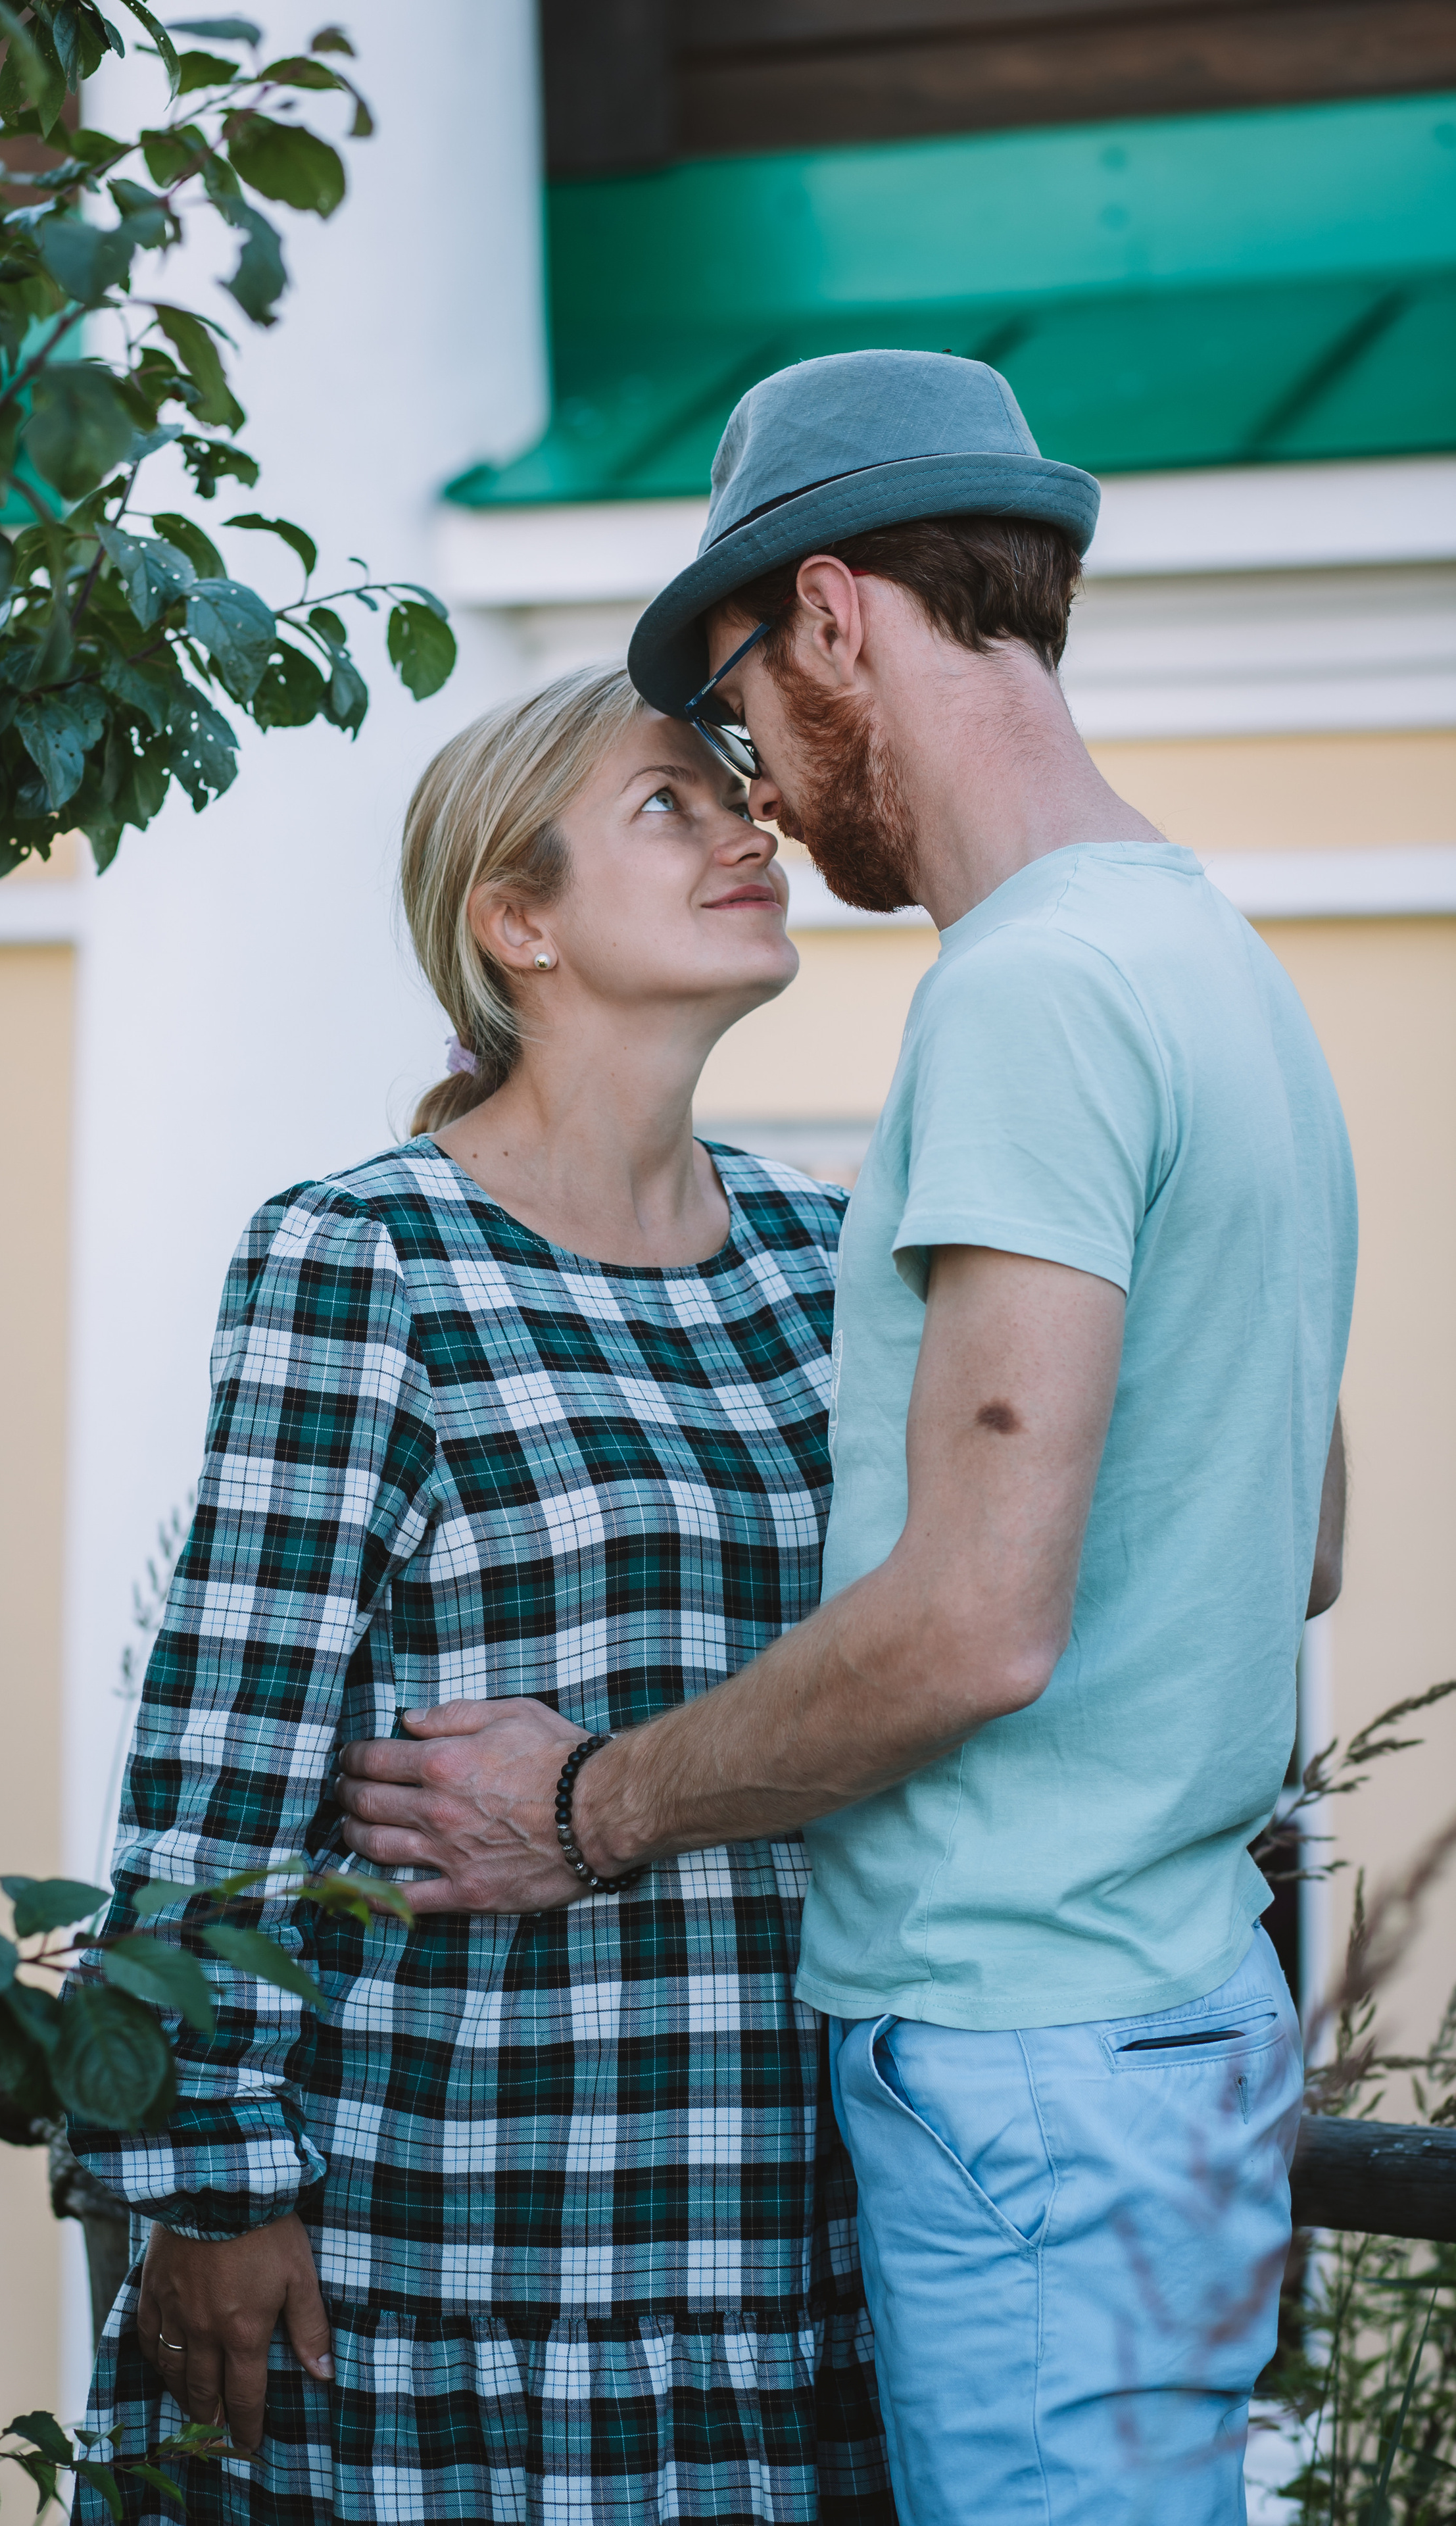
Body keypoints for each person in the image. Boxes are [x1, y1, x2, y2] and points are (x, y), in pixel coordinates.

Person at [336, 350, 1358, 2524]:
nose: (762, 797)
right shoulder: (1207, 959)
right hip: (1172, 2027)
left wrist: (587, 1807)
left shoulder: (1022, 997)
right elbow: (1303, 1523)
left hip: (1028, 2057)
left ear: (827, 622)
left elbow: (978, 1628)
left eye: (734, 722)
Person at [69, 660, 894, 2525]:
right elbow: (221, 1751)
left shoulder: (831, 1257)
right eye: (668, 805)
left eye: (737, 795)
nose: (749, 827)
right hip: (444, 2232)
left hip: (783, 2225)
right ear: (515, 921)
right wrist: (209, 2187)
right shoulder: (365, 1253)